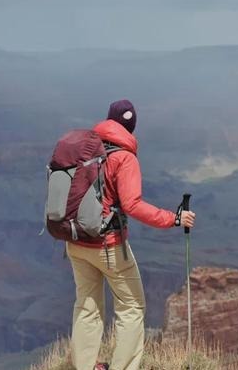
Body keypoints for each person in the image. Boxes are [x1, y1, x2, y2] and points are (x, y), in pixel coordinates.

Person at [66, 99, 196, 370]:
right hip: (108, 245)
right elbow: (132, 205)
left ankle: (85, 366)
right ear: (131, 127)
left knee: (86, 307)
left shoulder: (85, 149)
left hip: (75, 240)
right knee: (131, 307)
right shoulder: (124, 157)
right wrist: (173, 218)